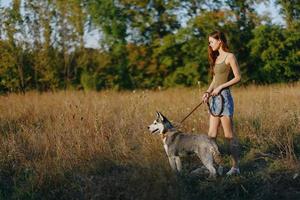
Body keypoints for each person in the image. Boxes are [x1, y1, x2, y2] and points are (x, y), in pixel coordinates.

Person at [202, 30, 241, 175]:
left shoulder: (230, 56)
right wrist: (207, 92)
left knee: (229, 136)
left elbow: (238, 77)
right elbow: (215, 79)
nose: (210, 44)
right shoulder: (217, 58)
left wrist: (221, 87)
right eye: (209, 42)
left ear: (220, 41)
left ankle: (236, 167)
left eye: (211, 41)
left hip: (224, 98)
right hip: (214, 99)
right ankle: (209, 165)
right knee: (211, 135)